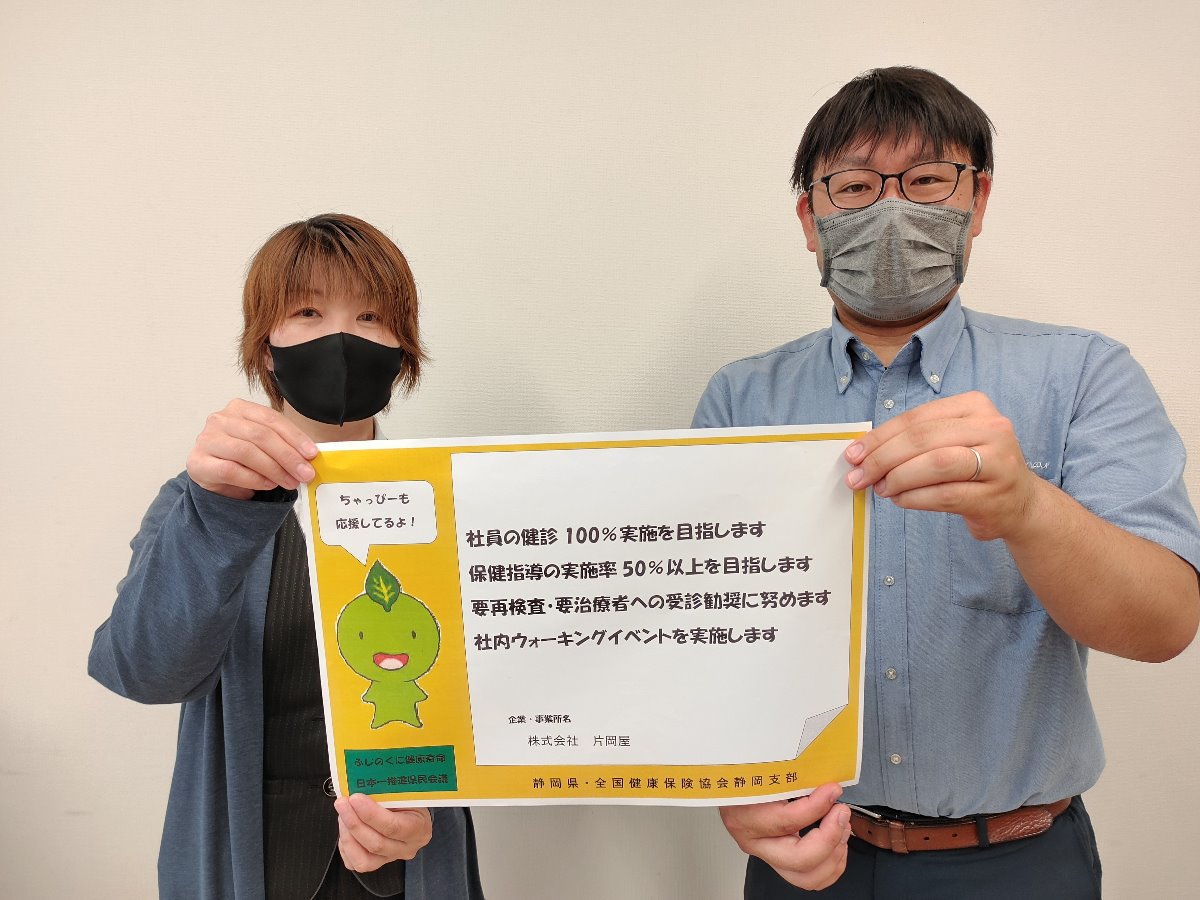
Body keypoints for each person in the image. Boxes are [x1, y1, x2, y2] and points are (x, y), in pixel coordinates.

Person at [693, 67, 1200, 899]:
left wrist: (1027, 507)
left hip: (1020, 860)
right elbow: (703, 634)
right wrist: (733, 795)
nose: (891, 210)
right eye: (855, 187)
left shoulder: (1082, 374)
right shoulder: (742, 399)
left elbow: (1166, 624)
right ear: (810, 219)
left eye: (927, 180)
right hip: (810, 852)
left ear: (978, 199)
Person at [89, 214, 486, 900]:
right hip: (250, 861)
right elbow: (141, 671)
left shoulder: (450, 499)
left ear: (403, 347)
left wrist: (430, 808)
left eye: (371, 316)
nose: (342, 338)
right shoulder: (202, 500)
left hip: (404, 863)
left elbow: (496, 694)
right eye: (307, 312)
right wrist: (215, 511)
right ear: (266, 348)